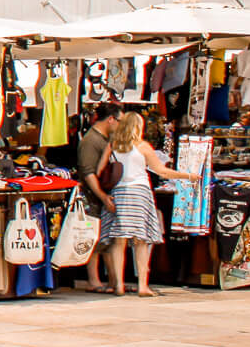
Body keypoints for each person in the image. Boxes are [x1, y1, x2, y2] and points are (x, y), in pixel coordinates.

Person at [101, 111, 198, 297]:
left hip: (119, 193)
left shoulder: (112, 146)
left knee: (118, 241)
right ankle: (142, 286)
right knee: (141, 241)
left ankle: (119, 285)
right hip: (139, 194)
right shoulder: (143, 146)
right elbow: (162, 171)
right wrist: (187, 176)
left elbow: (100, 170)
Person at [75, 103, 120, 292]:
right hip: (92, 196)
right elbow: (88, 173)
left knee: (103, 237)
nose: (119, 125)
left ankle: (111, 280)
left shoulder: (102, 139)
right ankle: (94, 280)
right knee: (93, 236)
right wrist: (102, 196)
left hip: (100, 195)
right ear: (110, 119)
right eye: (119, 121)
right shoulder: (90, 141)